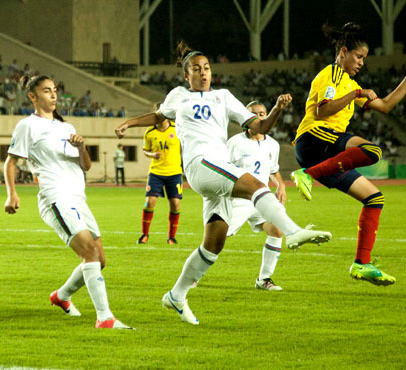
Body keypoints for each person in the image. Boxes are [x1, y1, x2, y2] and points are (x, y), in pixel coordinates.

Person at [115, 41, 332, 325]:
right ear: (186, 75)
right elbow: (158, 116)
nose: (203, 72)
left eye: (206, 68)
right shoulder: (178, 95)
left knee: (214, 245)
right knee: (256, 185)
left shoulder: (224, 97)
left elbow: (260, 126)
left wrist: (277, 109)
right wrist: (128, 122)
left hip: (217, 168)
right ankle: (293, 232)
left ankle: (176, 295)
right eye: (196, 69)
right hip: (200, 163)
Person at [290, 22, 406, 286]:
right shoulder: (332, 75)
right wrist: (355, 93)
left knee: (374, 198)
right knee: (371, 150)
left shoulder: (350, 83)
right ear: (343, 52)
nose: (362, 62)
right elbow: (322, 110)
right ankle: (308, 174)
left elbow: (384, 105)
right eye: (359, 56)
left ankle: (361, 264)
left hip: (326, 155)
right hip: (313, 139)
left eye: (364, 58)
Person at [4, 75, 133, 330]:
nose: (53, 95)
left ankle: (61, 296)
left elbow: (86, 166)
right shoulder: (27, 126)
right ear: (32, 96)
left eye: (55, 90)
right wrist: (11, 193)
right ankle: (104, 318)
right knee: (90, 253)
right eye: (47, 90)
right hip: (55, 197)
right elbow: (11, 161)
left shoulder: (66, 127)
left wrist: (82, 147)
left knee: (99, 260)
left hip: (78, 198)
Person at [226, 101, 288, 291]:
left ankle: (264, 279)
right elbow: (223, 169)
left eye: (262, 114)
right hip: (238, 199)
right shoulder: (234, 143)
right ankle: (193, 275)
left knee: (276, 230)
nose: (259, 117)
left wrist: (281, 185)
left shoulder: (273, 145)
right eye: (254, 114)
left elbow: (273, 170)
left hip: (261, 198)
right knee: (217, 237)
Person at [137, 113, 183, 245]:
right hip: (156, 172)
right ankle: (144, 235)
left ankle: (171, 237)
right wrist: (152, 154)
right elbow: (145, 150)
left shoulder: (177, 129)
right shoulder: (149, 132)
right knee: (149, 203)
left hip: (174, 172)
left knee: (175, 204)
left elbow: (184, 146)